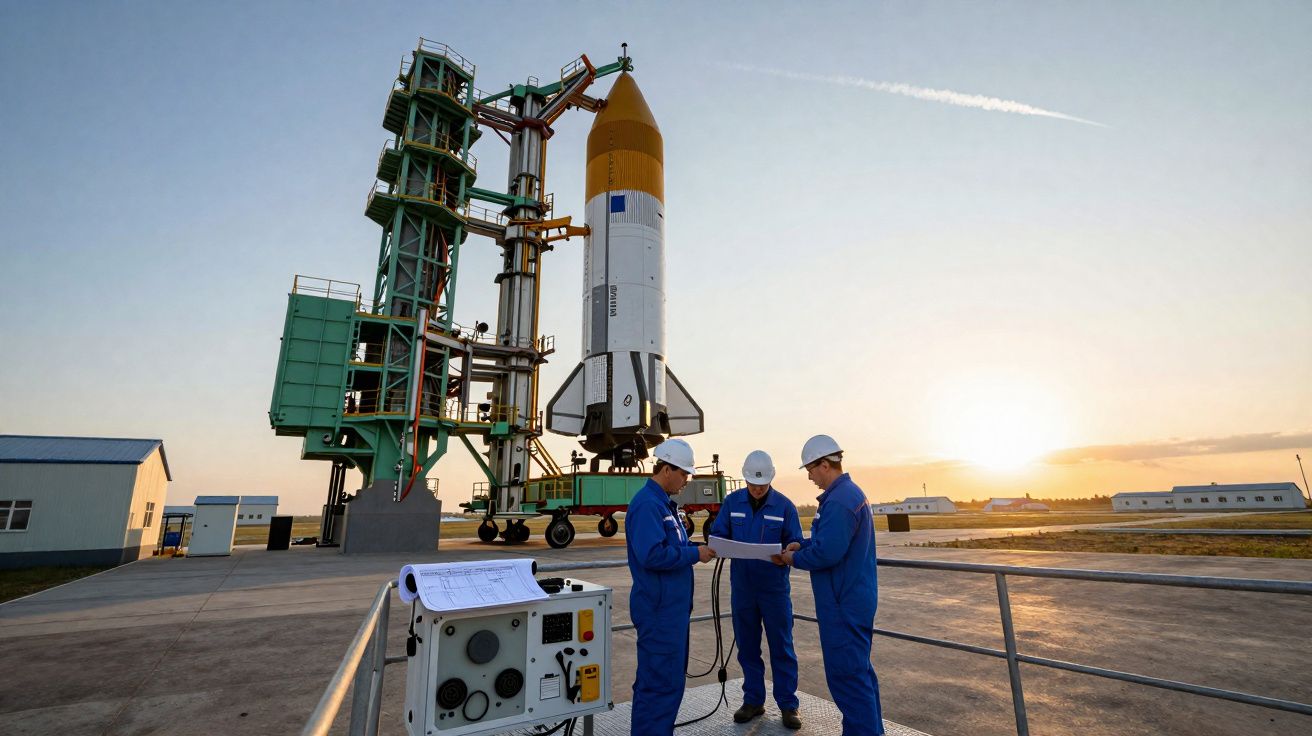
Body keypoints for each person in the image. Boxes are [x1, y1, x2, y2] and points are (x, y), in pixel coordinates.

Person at [774, 435, 884, 736]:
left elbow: (828, 552)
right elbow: (829, 542)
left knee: (847, 678)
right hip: (850, 598)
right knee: (859, 675)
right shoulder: (846, 495)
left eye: (810, 469)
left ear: (825, 464)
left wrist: (792, 559)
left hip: (842, 603)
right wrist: (803, 543)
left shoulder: (840, 501)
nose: (809, 476)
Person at [708, 450, 804, 729]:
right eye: (752, 484)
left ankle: (788, 705)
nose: (757, 488)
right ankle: (753, 700)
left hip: (774, 589)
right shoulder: (732, 502)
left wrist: (789, 550)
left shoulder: (785, 506)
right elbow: (718, 534)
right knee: (747, 647)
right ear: (745, 478)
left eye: (762, 484)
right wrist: (718, 545)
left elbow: (795, 541)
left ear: (771, 478)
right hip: (743, 588)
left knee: (782, 646)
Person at [626, 438, 716, 735]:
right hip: (658, 611)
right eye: (684, 474)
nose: (686, 480)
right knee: (658, 684)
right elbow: (651, 555)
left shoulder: (664, 505)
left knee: (668, 682)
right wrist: (694, 554)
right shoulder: (647, 505)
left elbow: (671, 546)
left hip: (671, 611)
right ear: (667, 469)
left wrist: (697, 547)